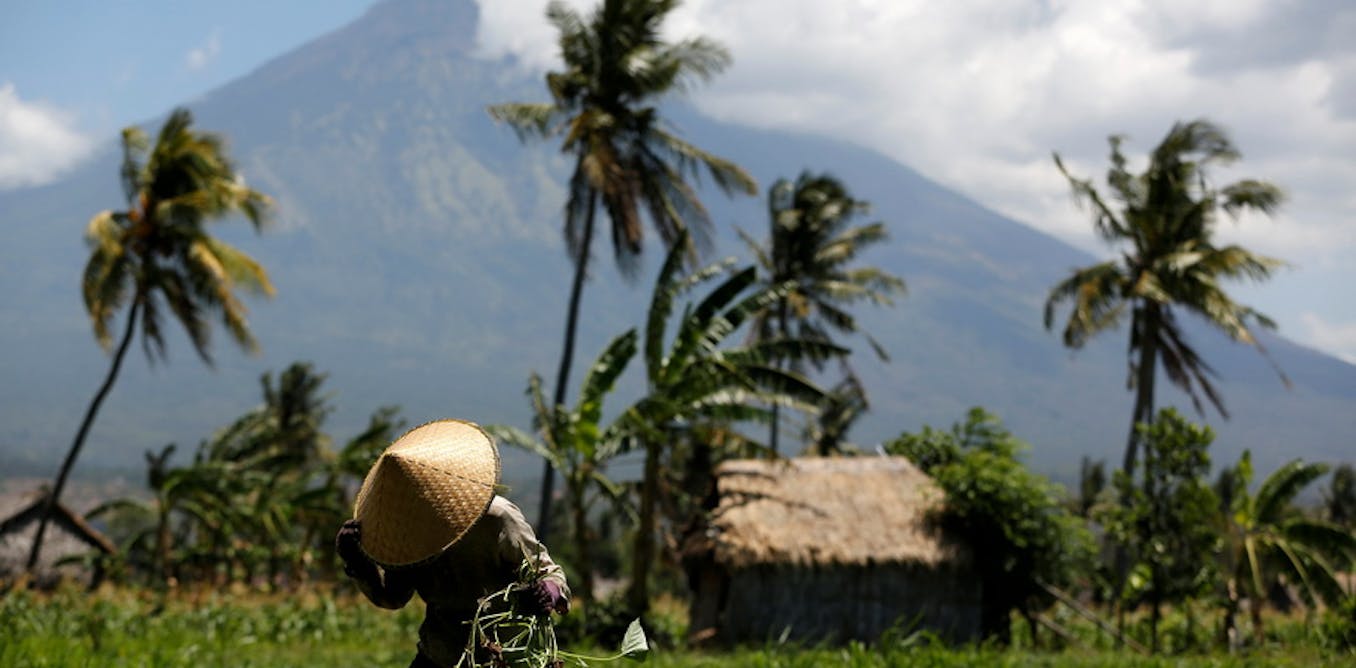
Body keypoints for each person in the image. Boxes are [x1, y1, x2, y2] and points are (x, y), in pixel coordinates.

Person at [335, 419, 569, 668]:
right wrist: (358, 563)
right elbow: (392, 597)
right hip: (437, 657)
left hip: (501, 658)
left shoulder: (497, 518)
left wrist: (549, 590)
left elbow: (549, 572)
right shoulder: (406, 535)